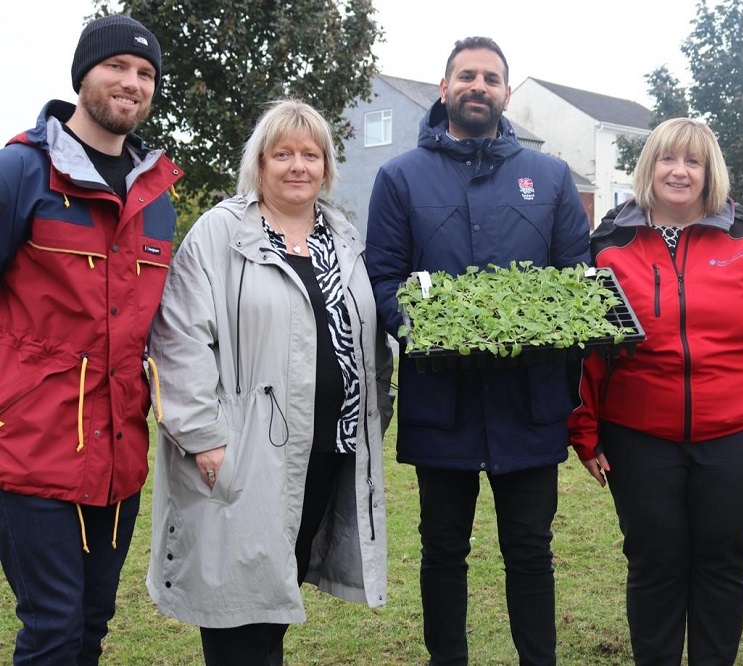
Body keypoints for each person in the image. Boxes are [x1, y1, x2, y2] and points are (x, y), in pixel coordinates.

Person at [366, 36, 590, 665]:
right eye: (466, 75)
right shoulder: (400, 176)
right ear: (444, 88)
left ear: (505, 94)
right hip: (444, 398)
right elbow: (383, 276)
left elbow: (576, 274)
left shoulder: (548, 177)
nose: (478, 87)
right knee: (442, 549)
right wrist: (424, 327)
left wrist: (541, 323)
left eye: (491, 78)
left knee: (529, 547)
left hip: (529, 399)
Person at [145, 99, 394, 665]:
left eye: (311, 154)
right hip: (244, 453)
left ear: (327, 167)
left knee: (276, 593)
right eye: (283, 153)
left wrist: (372, 412)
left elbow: (368, 337)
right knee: (238, 611)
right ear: (259, 163)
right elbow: (179, 336)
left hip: (323, 455)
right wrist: (204, 435)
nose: (297, 166)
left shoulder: (343, 238)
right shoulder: (221, 233)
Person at [568, 118, 743, 665]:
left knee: (723, 563)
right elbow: (586, 348)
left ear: (710, 172)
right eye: (667, 159)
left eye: (693, 161)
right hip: (638, 438)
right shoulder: (609, 244)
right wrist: (584, 432)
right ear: (649, 167)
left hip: (736, 437)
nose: (679, 171)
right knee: (653, 564)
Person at [0, 14, 181, 664]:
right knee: (51, 632)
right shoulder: (22, 170)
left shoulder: (157, 195)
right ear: (84, 75)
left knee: (90, 629)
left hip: (120, 459)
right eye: (117, 67)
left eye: (145, 73)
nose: (131, 82)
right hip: (33, 454)